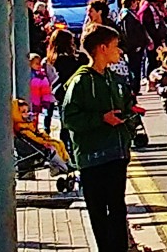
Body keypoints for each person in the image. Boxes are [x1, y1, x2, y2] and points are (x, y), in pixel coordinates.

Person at [61, 23, 139, 252]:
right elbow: (70, 118)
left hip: (117, 153)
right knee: (98, 209)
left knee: (117, 207)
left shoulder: (113, 78)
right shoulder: (80, 81)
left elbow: (126, 106)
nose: (120, 51)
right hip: (92, 157)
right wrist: (101, 119)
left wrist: (129, 122)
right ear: (102, 48)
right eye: (116, 46)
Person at [118, 0, 149, 96]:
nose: (137, 4)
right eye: (135, 2)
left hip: (137, 46)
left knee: (136, 67)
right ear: (131, 3)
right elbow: (129, 32)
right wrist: (135, 45)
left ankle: (135, 88)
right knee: (134, 67)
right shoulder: (127, 15)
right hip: (134, 47)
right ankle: (134, 88)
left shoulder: (130, 13)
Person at [139, 0, 167, 80]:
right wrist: (149, 39)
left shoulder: (154, 7)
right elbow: (147, 25)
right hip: (152, 38)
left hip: (157, 37)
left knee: (156, 59)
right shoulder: (147, 9)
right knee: (151, 59)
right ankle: (150, 79)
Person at [29, 53, 56, 134]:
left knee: (36, 117)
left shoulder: (41, 75)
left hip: (37, 100)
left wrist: (45, 100)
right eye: (36, 64)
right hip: (30, 99)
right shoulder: (29, 75)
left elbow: (45, 88)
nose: (39, 66)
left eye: (39, 63)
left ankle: (35, 130)